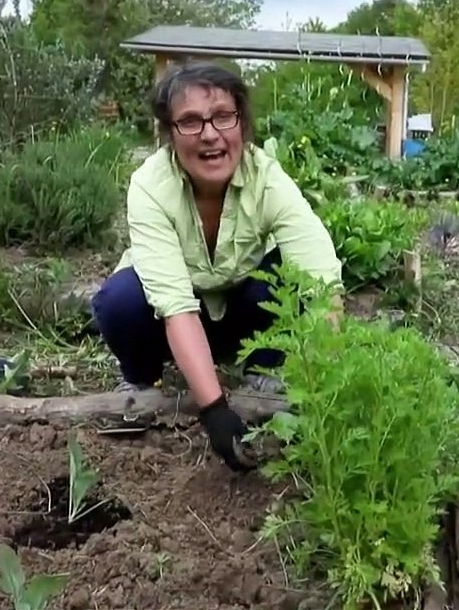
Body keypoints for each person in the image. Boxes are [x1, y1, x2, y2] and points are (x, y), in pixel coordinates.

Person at [90, 62, 344, 472]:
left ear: (242, 123)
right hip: (168, 323)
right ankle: (142, 380)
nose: (210, 134)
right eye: (190, 122)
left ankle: (264, 369)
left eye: (223, 117)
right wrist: (214, 410)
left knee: (283, 275)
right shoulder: (151, 185)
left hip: (242, 313)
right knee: (120, 300)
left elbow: (322, 282)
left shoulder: (267, 177)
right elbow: (174, 306)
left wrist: (330, 385)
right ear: (170, 134)